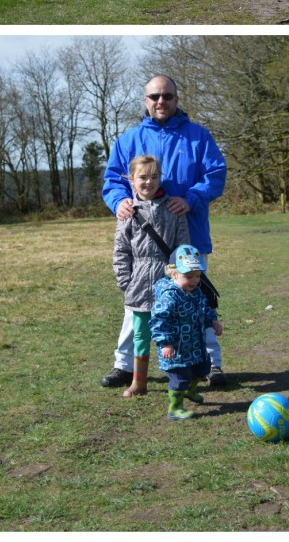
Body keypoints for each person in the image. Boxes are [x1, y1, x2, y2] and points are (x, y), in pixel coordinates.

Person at [102, 75, 227, 389]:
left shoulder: (198, 137)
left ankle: (211, 365)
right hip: (144, 247)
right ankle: (124, 366)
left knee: (196, 305)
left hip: (190, 239)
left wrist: (191, 198)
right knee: (138, 310)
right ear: (145, 100)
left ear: (176, 98)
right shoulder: (128, 140)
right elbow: (113, 182)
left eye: (167, 96)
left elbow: (216, 174)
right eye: (155, 96)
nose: (161, 101)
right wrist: (119, 202)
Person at [111, 154, 190, 398]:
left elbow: (183, 247)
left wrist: (181, 279)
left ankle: (179, 382)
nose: (149, 182)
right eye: (143, 177)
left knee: (172, 335)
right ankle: (139, 382)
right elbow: (121, 250)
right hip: (139, 284)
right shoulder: (128, 212)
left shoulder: (173, 209)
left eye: (154, 177)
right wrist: (125, 281)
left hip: (169, 281)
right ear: (132, 180)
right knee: (141, 336)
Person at [151, 244, 223, 421]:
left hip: (195, 345)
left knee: (202, 369)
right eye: (188, 276)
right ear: (173, 273)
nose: (194, 281)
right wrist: (165, 343)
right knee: (179, 379)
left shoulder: (196, 291)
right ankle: (175, 408)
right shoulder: (169, 296)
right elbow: (159, 321)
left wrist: (212, 320)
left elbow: (204, 308)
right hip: (175, 349)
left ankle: (189, 392)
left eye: (197, 276)